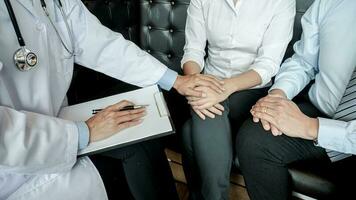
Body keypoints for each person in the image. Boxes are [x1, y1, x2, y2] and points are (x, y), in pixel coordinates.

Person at [0, 0, 225, 199]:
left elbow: (101, 44)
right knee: (132, 161)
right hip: (16, 171)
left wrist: (175, 81)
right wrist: (84, 132)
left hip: (58, 125)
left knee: (144, 127)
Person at [236, 0, 356, 199]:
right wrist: (278, 95)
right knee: (254, 139)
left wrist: (312, 128)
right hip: (322, 111)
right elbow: (304, 61)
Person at [180, 0, 295, 199]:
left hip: (251, 88)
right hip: (208, 84)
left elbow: (268, 65)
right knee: (190, 129)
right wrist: (196, 86)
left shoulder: (281, 2)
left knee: (192, 129)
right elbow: (193, 51)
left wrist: (224, 88)